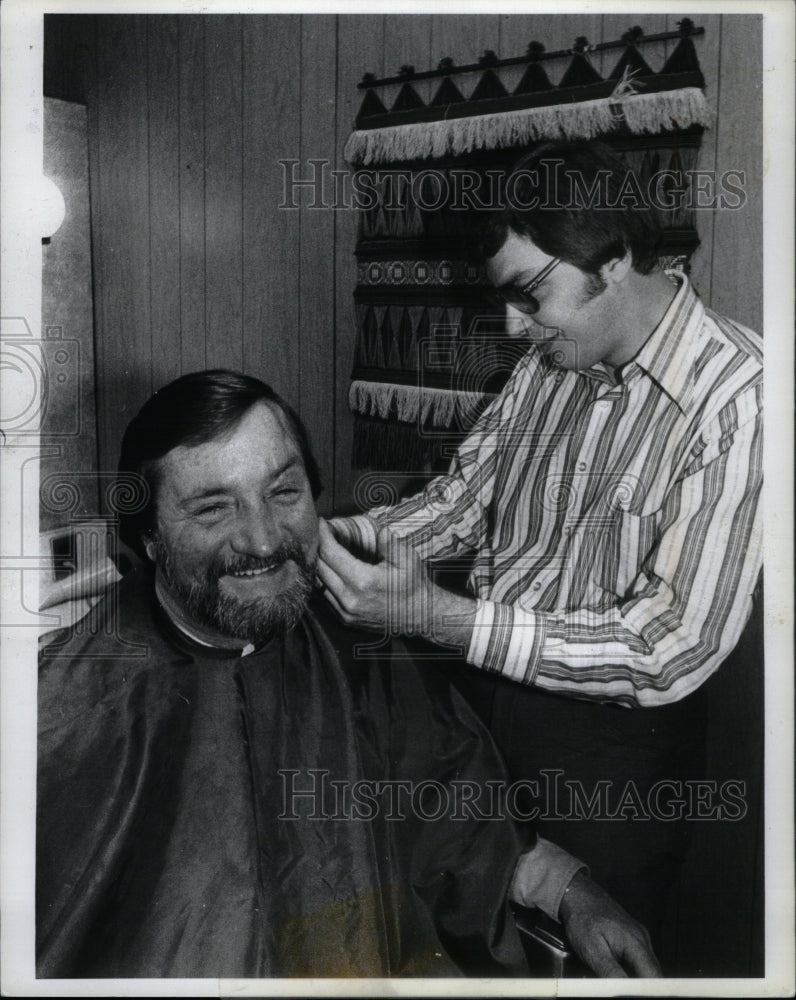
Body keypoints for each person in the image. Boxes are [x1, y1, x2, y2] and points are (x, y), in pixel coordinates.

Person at [37, 369, 660, 980]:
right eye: (212, 509)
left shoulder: (357, 648)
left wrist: (572, 894)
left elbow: (458, 816)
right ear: (148, 537)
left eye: (284, 493)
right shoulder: (66, 700)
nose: (262, 541)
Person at [317, 140, 763, 948]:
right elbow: (458, 504)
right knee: (465, 928)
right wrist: (329, 538)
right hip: (483, 716)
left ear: (617, 257)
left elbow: (669, 648)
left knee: (576, 958)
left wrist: (443, 619)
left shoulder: (743, 399)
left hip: (613, 765)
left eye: (530, 294)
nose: (512, 326)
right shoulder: (546, 363)